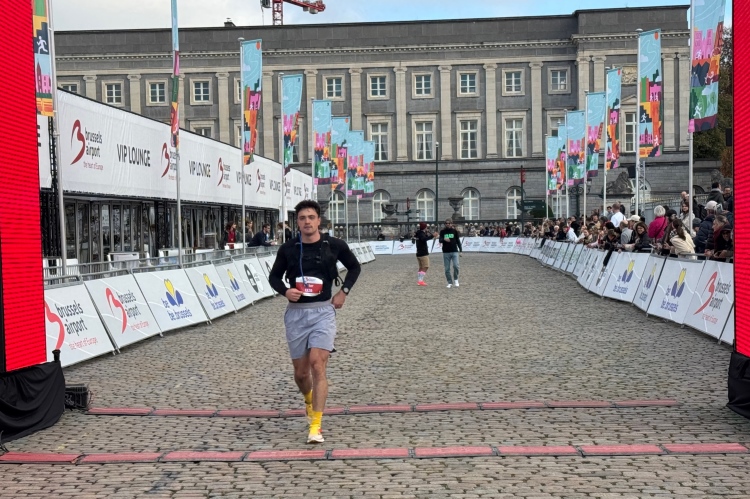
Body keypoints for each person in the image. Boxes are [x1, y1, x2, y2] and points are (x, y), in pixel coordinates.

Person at [268, 200, 361, 444]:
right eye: (302, 218)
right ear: (297, 222)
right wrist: (285, 291)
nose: (307, 222)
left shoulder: (334, 245)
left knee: (317, 364)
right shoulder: (288, 249)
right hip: (296, 314)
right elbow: (274, 277)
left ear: (319, 220)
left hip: (323, 311)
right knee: (301, 374)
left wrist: (344, 292)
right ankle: (308, 399)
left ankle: (316, 426)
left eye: (311, 217)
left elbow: (354, 267)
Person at [439, 219, 463, 288]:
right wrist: (444, 239)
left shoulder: (454, 231)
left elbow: (458, 241)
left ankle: (456, 279)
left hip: (454, 251)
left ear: (451, 224)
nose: (447, 224)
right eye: (446, 223)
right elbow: (440, 240)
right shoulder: (442, 231)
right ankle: (449, 282)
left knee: (456, 266)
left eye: (449, 223)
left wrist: (461, 250)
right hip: (446, 252)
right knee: (447, 268)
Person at [414, 222, 435, 286]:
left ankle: (419, 280)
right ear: (425, 227)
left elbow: (423, 238)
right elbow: (424, 239)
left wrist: (427, 234)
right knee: (426, 266)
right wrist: (432, 236)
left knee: (421, 267)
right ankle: (420, 280)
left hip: (419, 252)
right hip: (423, 253)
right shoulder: (421, 234)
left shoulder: (418, 233)